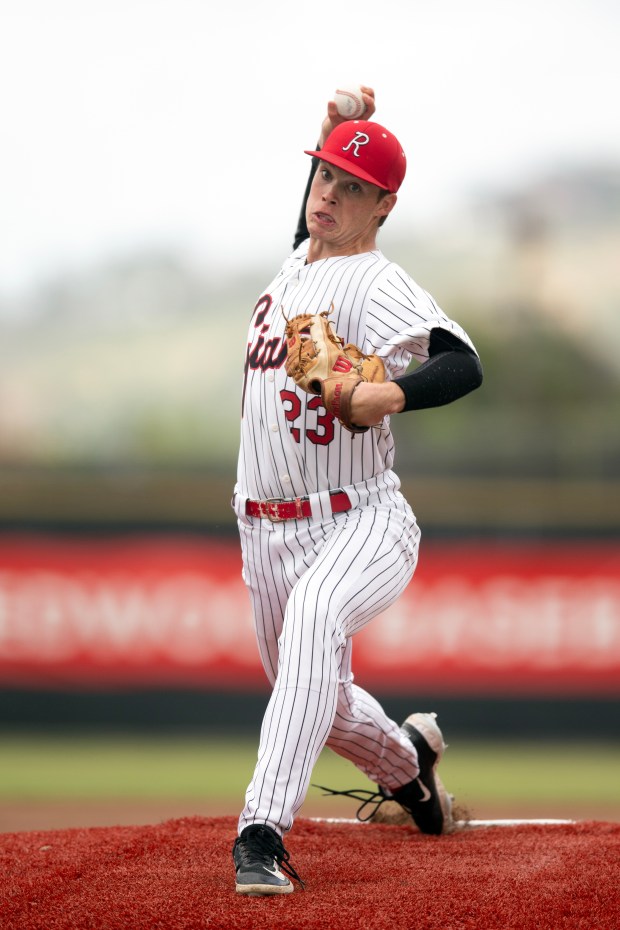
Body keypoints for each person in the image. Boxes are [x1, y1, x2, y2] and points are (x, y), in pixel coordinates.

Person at [231, 87, 483, 895]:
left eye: (351, 187)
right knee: (320, 697)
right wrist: (330, 138)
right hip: (263, 531)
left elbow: (460, 359)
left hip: (360, 518)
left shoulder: (373, 282)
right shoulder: (294, 268)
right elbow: (308, 226)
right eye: (323, 177)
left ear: (384, 206)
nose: (328, 195)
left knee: (313, 622)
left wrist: (390, 392)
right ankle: (414, 774)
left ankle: (260, 835)